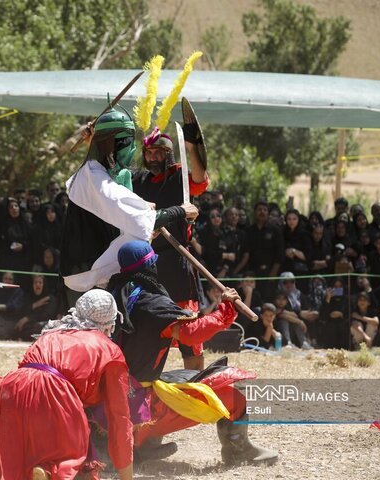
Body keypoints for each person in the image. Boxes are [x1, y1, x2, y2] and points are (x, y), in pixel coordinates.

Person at [105, 240, 277, 466]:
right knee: (232, 398)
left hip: (111, 399)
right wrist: (225, 309)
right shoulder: (151, 303)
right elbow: (191, 334)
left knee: (177, 378)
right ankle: (237, 451)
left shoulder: (112, 295)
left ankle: (146, 444)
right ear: (151, 267)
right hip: (137, 408)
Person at [0, 289, 134, 480]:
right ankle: (49, 470)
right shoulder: (110, 349)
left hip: (15, 384)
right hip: (57, 394)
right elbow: (119, 417)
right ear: (110, 321)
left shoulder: (51, 332)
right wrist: (127, 475)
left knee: (3, 416)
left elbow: (31, 383)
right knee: (74, 461)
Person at [59, 105, 195, 303]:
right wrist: (180, 211)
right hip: (88, 276)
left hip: (85, 272)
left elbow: (117, 190)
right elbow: (143, 220)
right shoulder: (96, 179)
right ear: (117, 144)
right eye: (128, 143)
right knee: (138, 245)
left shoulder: (93, 172)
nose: (132, 150)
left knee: (139, 235)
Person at [132, 124, 209, 370]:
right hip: (145, 263)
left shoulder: (179, 176)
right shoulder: (137, 179)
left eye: (158, 152)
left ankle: (196, 385)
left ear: (169, 153)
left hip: (176, 260)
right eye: (149, 152)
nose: (153, 157)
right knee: (149, 329)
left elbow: (199, 178)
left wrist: (192, 146)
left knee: (188, 329)